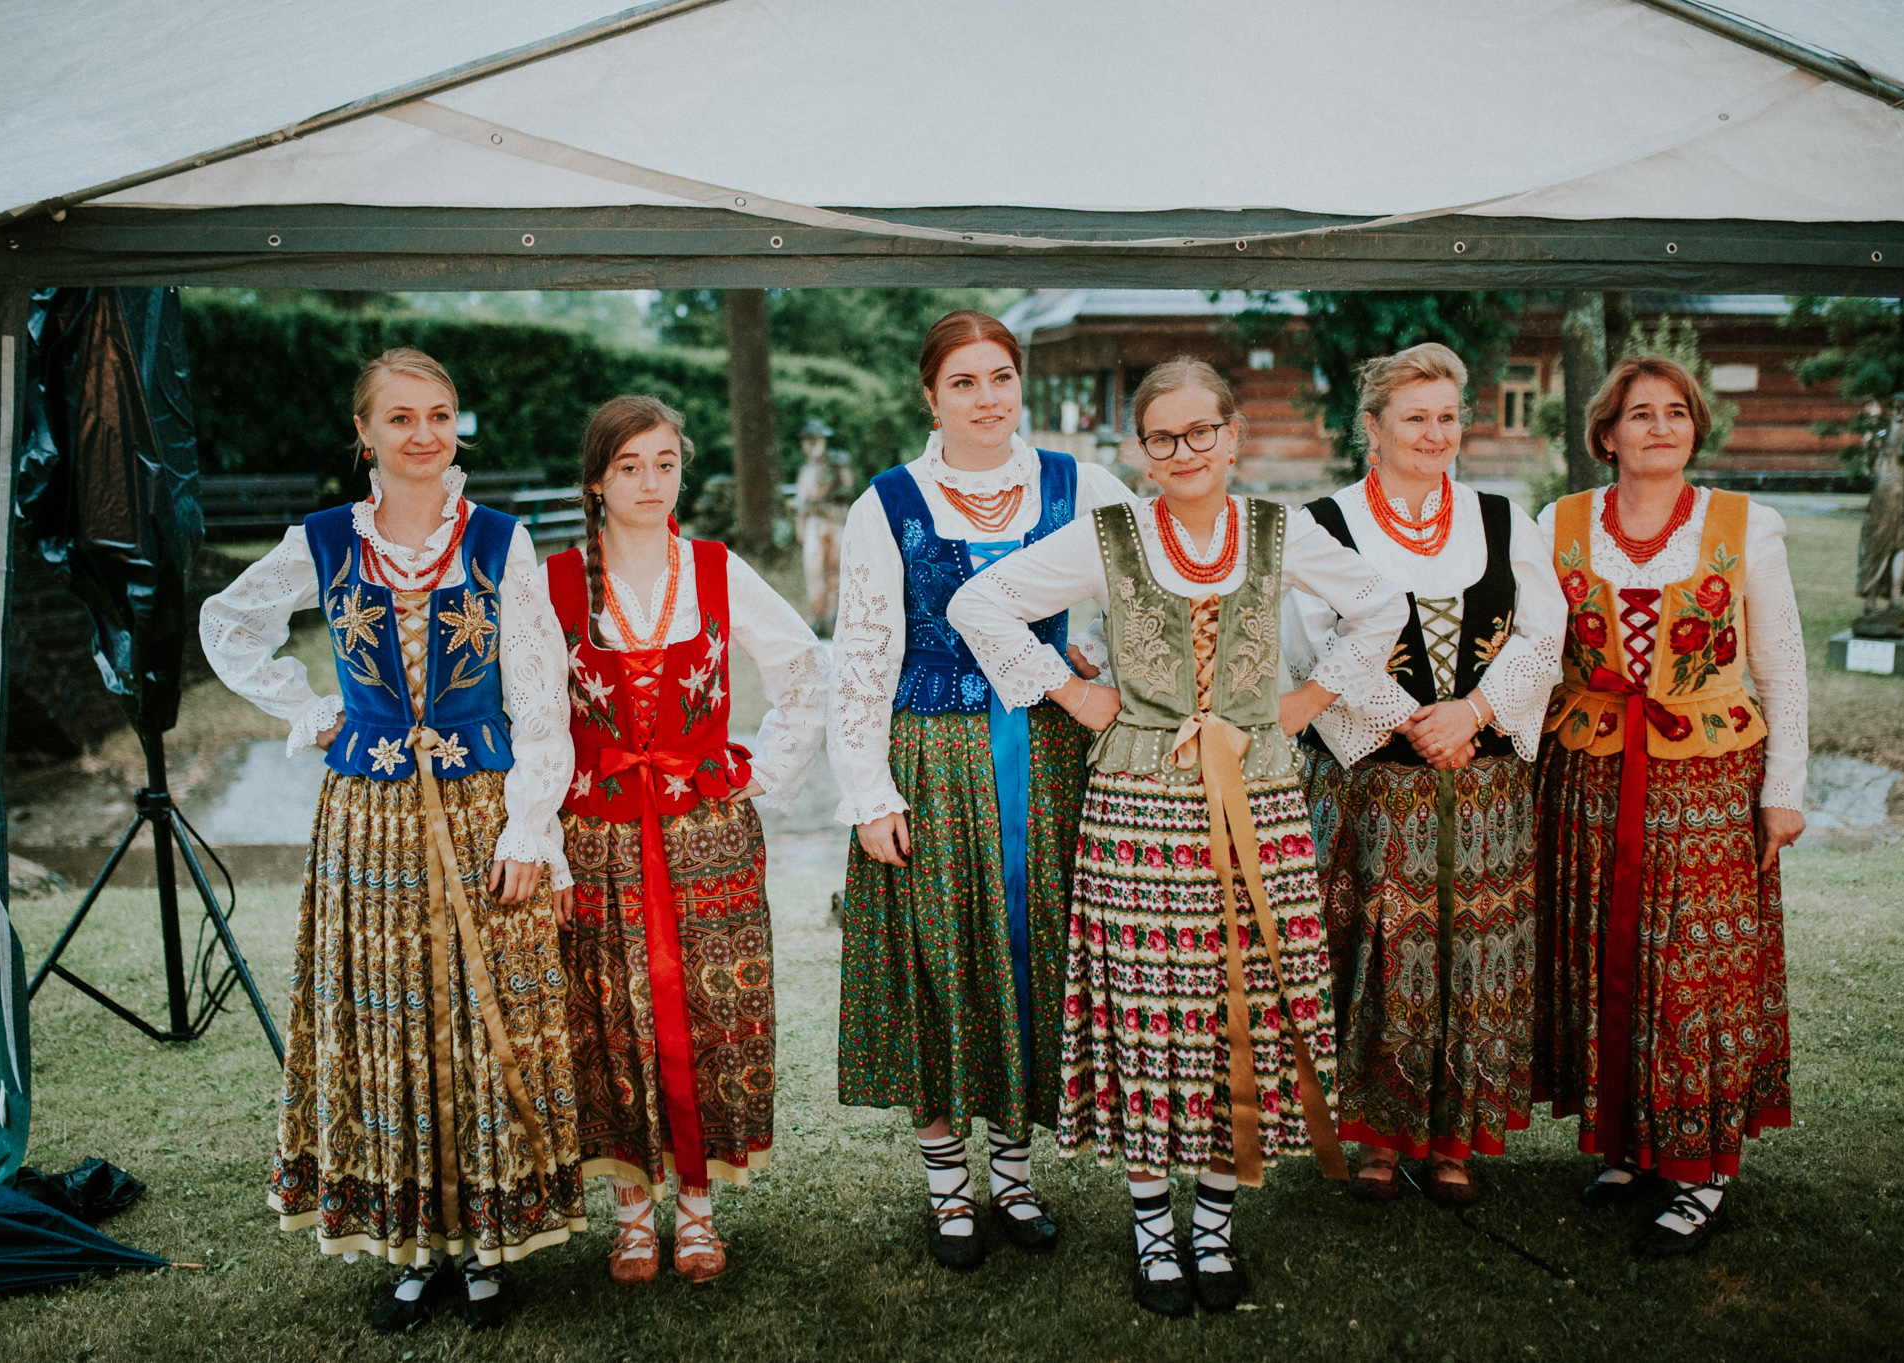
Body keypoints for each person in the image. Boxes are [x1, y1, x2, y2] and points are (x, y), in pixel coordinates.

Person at [948, 356, 1409, 1316]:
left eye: (1202, 431)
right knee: (1153, 1007)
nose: (1185, 450)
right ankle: (1154, 1226)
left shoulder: (1278, 530)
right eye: (1164, 437)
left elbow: (1382, 605)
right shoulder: (1111, 534)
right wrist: (1076, 694)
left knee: (1246, 1001)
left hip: (1259, 796)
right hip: (1139, 803)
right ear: (1143, 452)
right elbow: (977, 602)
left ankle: (1216, 1225)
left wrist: (1307, 700)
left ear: (1233, 436)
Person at [199, 347, 583, 1331]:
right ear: (363, 432)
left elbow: (540, 698)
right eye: (401, 417)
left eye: (439, 414)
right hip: (367, 816)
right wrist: (314, 709)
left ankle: (486, 1240)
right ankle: (413, 1245)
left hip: (480, 807)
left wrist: (529, 828)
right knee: (389, 1021)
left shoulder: (498, 541)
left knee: (479, 1018)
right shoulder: (327, 539)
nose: (424, 434)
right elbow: (230, 623)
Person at [830, 310, 1136, 1273]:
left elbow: (1150, 584)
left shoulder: (1080, 484)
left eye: (1000, 377)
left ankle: (1014, 1172)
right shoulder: (889, 502)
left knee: (1034, 949)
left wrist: (1101, 656)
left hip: (1048, 751)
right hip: (934, 753)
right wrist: (870, 791)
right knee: (943, 951)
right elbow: (862, 654)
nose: (986, 398)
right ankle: (947, 1185)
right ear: (932, 397)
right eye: (963, 382)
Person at [547, 395, 828, 1285]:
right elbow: (531, 717)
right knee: (609, 1014)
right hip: (597, 833)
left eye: (665, 464)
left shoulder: (714, 567)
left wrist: (760, 771)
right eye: (629, 466)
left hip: (704, 832)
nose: (650, 482)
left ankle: (699, 1207)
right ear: (597, 481)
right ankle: (633, 1213)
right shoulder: (554, 582)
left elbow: (803, 666)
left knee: (711, 1012)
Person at [1533, 355, 1806, 1256]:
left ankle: (1702, 1169)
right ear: (1606, 434)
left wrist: (1784, 791)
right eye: (1640, 412)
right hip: (1592, 772)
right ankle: (1628, 1145)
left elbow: (1782, 664)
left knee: (1696, 968)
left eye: (1677, 412)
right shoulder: (1560, 523)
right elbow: (1533, 652)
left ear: (1696, 428)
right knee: (1606, 957)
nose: (1661, 426)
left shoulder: (1745, 525)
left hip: (1708, 779)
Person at [1288, 343, 1564, 1207]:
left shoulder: (1503, 519)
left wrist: (1471, 714)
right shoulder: (1321, 525)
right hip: (1371, 785)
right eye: (1415, 417)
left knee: (1474, 954)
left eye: (1448, 416)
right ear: (1372, 428)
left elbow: (1543, 635)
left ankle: (1454, 1137)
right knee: (1377, 951)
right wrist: (1415, 722)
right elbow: (1310, 646)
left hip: (1482, 787)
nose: (1435, 433)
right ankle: (1376, 1135)